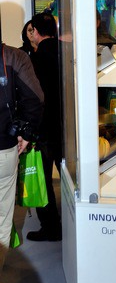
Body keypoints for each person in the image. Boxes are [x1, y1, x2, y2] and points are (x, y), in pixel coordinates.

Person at [0, 41, 44, 283]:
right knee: (2, 219)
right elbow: (35, 98)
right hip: (4, 150)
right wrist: (26, 134)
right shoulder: (13, 57)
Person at [27, 12, 62, 242]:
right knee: (68, 176)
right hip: (64, 125)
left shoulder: (36, 58)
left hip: (44, 127)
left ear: (36, 32)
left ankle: (51, 227)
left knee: (43, 179)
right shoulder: (65, 53)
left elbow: (33, 96)